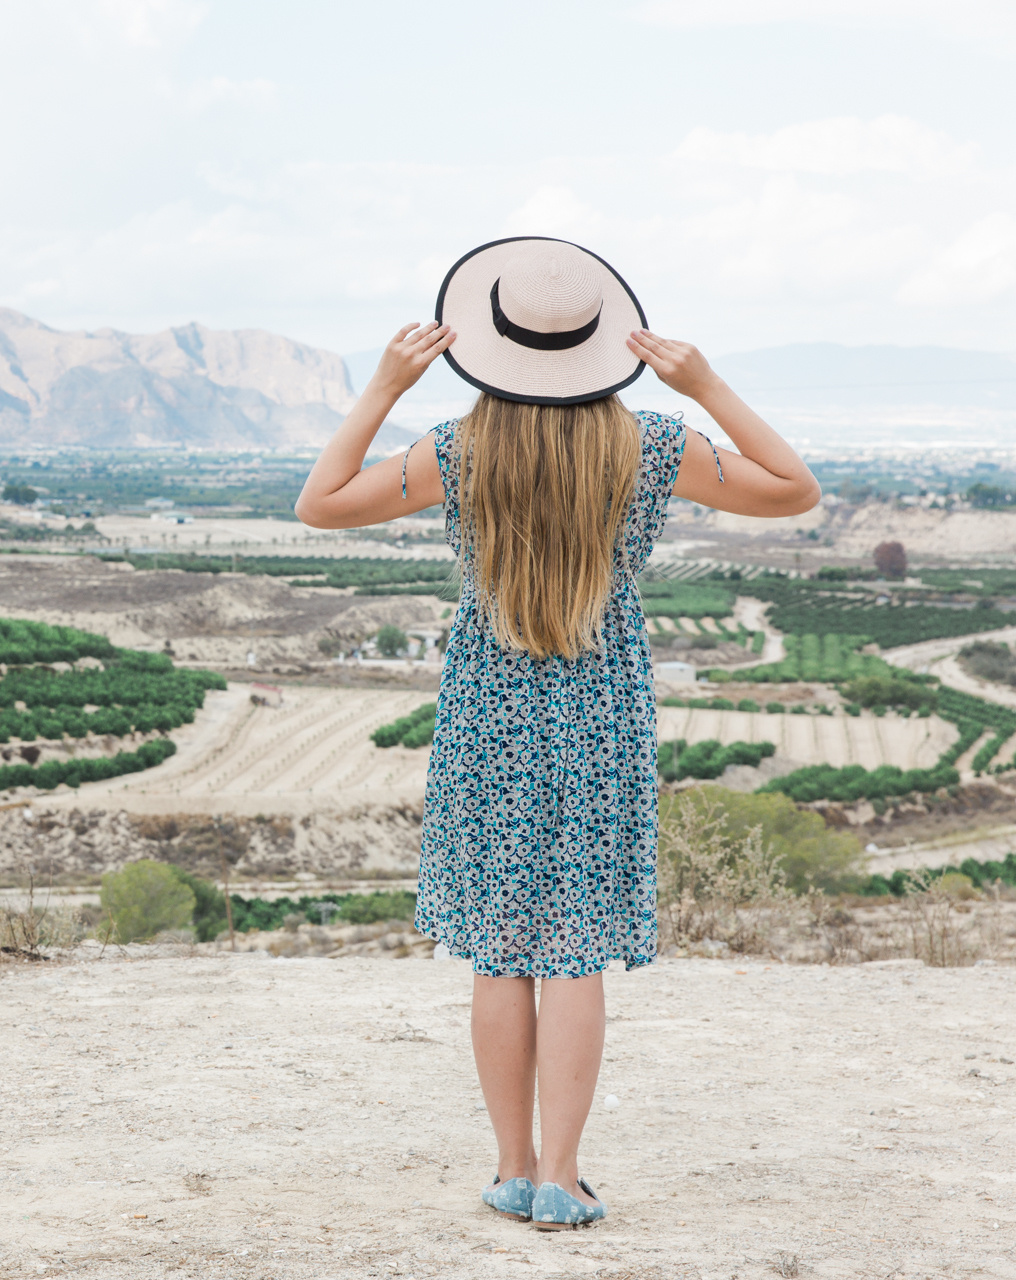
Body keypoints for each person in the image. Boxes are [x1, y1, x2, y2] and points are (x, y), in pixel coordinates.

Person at [293, 238, 818, 1230]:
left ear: (488, 348)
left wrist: (379, 387)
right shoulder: (651, 447)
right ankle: (563, 1177)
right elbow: (793, 487)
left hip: (487, 715)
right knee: (574, 948)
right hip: (602, 715)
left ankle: (511, 1164)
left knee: (502, 947)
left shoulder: (457, 449)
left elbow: (320, 502)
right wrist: (706, 382)